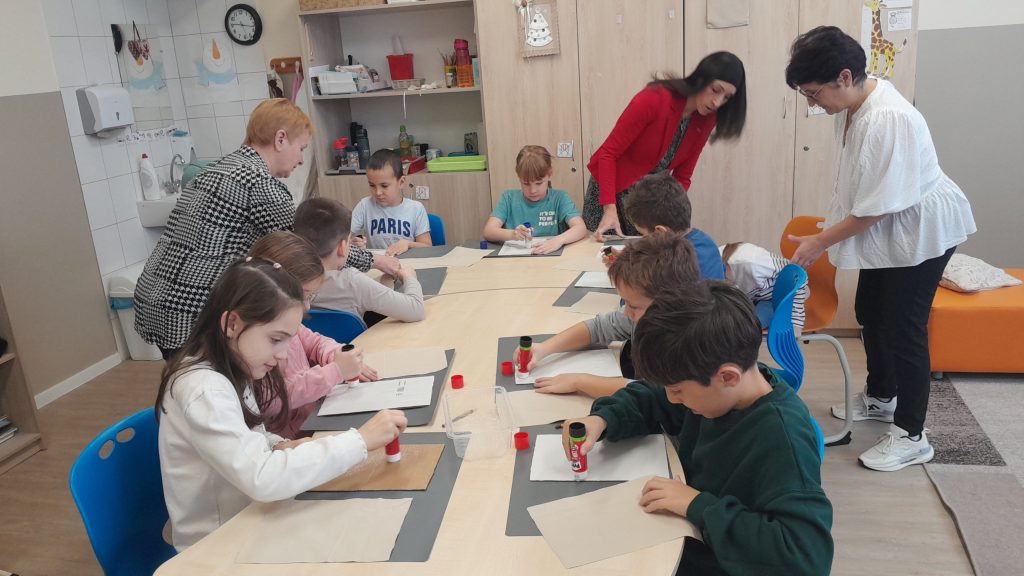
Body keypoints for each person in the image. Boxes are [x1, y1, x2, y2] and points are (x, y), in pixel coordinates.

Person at [785, 26, 976, 472]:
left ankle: (912, 435)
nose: (814, 103)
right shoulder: (854, 105)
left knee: (904, 327)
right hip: (892, 227)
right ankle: (882, 397)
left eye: (814, 93)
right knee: (871, 311)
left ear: (844, 77)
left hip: (922, 231)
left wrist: (819, 242)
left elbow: (876, 210)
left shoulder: (887, 118)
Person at [563, 282, 833, 575]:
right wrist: (603, 419)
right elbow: (653, 397)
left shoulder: (782, 440)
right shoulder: (717, 390)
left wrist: (696, 504)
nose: (671, 398)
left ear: (727, 377)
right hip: (687, 532)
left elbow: (805, 559)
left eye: (677, 390)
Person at [155, 258, 407, 550]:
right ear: (231, 324)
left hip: (253, 517)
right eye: (276, 339)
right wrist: (360, 440)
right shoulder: (203, 389)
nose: (283, 355)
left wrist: (278, 444)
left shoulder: (234, 365)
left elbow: (249, 439)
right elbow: (261, 477)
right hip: (217, 545)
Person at [134, 99, 400, 359]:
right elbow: (310, 247)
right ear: (280, 139)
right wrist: (374, 260)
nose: (301, 160)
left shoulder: (217, 169)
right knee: (208, 379)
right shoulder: (258, 182)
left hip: (154, 296)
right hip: (190, 311)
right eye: (301, 148)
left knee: (186, 376)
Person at [583, 51, 747, 240]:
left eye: (727, 97)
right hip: (609, 191)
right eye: (715, 90)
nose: (717, 102)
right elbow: (608, 154)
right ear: (702, 79)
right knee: (603, 254)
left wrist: (670, 214)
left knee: (646, 255)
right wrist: (609, 208)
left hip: (645, 200)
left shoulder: (707, 119)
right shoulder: (654, 98)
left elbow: (682, 176)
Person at [527, 232, 699, 397]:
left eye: (633, 305)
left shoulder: (681, 342)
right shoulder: (648, 314)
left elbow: (653, 393)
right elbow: (600, 327)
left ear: (669, 302)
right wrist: (544, 348)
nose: (626, 312)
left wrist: (579, 382)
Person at [248, 231, 378, 439]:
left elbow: (316, 342)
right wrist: (336, 371)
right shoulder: (255, 343)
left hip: (315, 421)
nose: (307, 306)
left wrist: (336, 354)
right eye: (303, 295)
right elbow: (272, 400)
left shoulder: (290, 325)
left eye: (311, 296)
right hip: (292, 440)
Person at [294, 198, 425, 323]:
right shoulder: (351, 282)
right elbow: (416, 310)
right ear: (342, 248)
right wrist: (409, 277)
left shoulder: (287, 277)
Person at [483, 145, 587, 255]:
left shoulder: (560, 198)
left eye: (539, 183)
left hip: (551, 259)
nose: (533, 190)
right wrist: (513, 234)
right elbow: (488, 231)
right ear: (518, 176)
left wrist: (558, 240)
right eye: (526, 183)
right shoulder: (508, 198)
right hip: (516, 261)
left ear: (549, 174)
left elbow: (580, 228)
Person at [623, 171, 725, 280]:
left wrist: (624, 264)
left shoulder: (673, 266)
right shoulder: (705, 241)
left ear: (660, 232)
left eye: (642, 234)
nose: (643, 239)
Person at [350, 149, 431, 256]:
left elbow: (427, 247)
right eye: (372, 185)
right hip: (377, 263)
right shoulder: (364, 206)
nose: (378, 192)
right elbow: (341, 239)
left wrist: (408, 244)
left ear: (401, 182)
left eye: (384, 186)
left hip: (406, 262)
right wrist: (352, 244)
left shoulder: (416, 209)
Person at [720, 242, 808, 335]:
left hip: (772, 300)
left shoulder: (753, 263)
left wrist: (796, 321)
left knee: (744, 329)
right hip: (748, 300)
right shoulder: (713, 262)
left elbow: (797, 274)